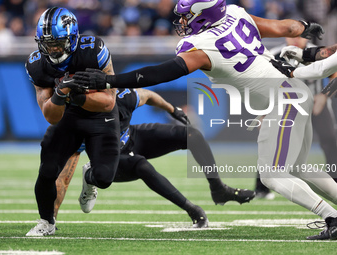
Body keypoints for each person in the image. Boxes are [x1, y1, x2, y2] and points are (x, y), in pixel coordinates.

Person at [72, 0, 337, 240]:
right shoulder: (235, 14)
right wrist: (304, 25)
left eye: (187, 16)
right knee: (299, 167)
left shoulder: (201, 46)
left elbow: (161, 73)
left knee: (272, 176)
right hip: (296, 93)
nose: (182, 22)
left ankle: (331, 218)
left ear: (202, 16)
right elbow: (288, 28)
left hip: (283, 100)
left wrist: (110, 79)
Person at [54, 88, 257, 228]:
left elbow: (148, 95)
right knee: (141, 165)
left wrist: (172, 109)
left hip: (131, 137)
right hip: (107, 160)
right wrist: (49, 218)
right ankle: (192, 210)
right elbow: (63, 175)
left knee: (191, 134)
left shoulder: (121, 97)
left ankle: (218, 189)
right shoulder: (79, 121)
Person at [25, 7, 120, 236]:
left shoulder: (93, 50)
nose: (53, 48)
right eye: (48, 43)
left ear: (73, 37)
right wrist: (60, 93)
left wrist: (77, 95)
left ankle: (89, 177)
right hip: (67, 117)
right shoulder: (37, 64)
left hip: (101, 117)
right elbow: (50, 115)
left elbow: (108, 101)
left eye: (58, 42)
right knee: (47, 169)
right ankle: (46, 222)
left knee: (104, 178)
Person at [255, 36, 337, 199]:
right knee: (271, 141)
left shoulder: (319, 51)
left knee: (330, 140)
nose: (292, 39)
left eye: (297, 35)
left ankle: (334, 182)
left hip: (315, 103)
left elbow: (329, 73)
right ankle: (261, 186)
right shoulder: (276, 53)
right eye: (289, 34)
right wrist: (264, 111)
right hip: (288, 105)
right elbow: (267, 85)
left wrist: (324, 95)